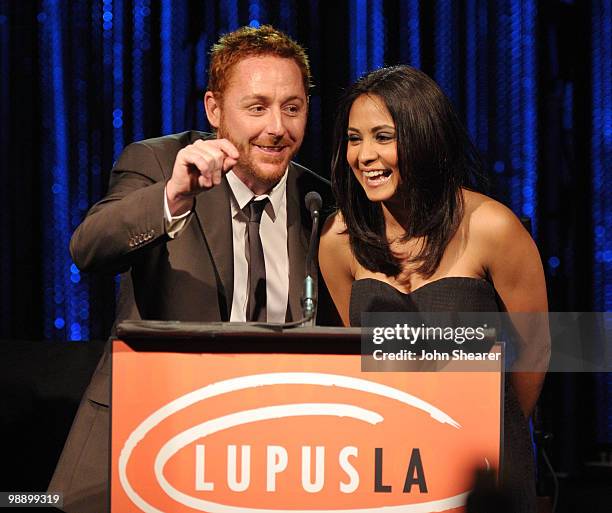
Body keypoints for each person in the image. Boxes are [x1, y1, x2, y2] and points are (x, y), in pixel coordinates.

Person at [49, 25, 338, 513]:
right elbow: (89, 248)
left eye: (292, 107)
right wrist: (173, 197)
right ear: (213, 109)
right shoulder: (161, 164)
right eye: (256, 106)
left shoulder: (320, 201)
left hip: (271, 454)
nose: (277, 127)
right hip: (149, 433)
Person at [319, 65, 550, 512]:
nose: (364, 155)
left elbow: (534, 352)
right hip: (390, 467)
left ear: (423, 137)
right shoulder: (337, 241)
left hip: (486, 466)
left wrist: (493, 426)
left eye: (383, 137)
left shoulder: (491, 227)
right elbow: (362, 361)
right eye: (354, 138)